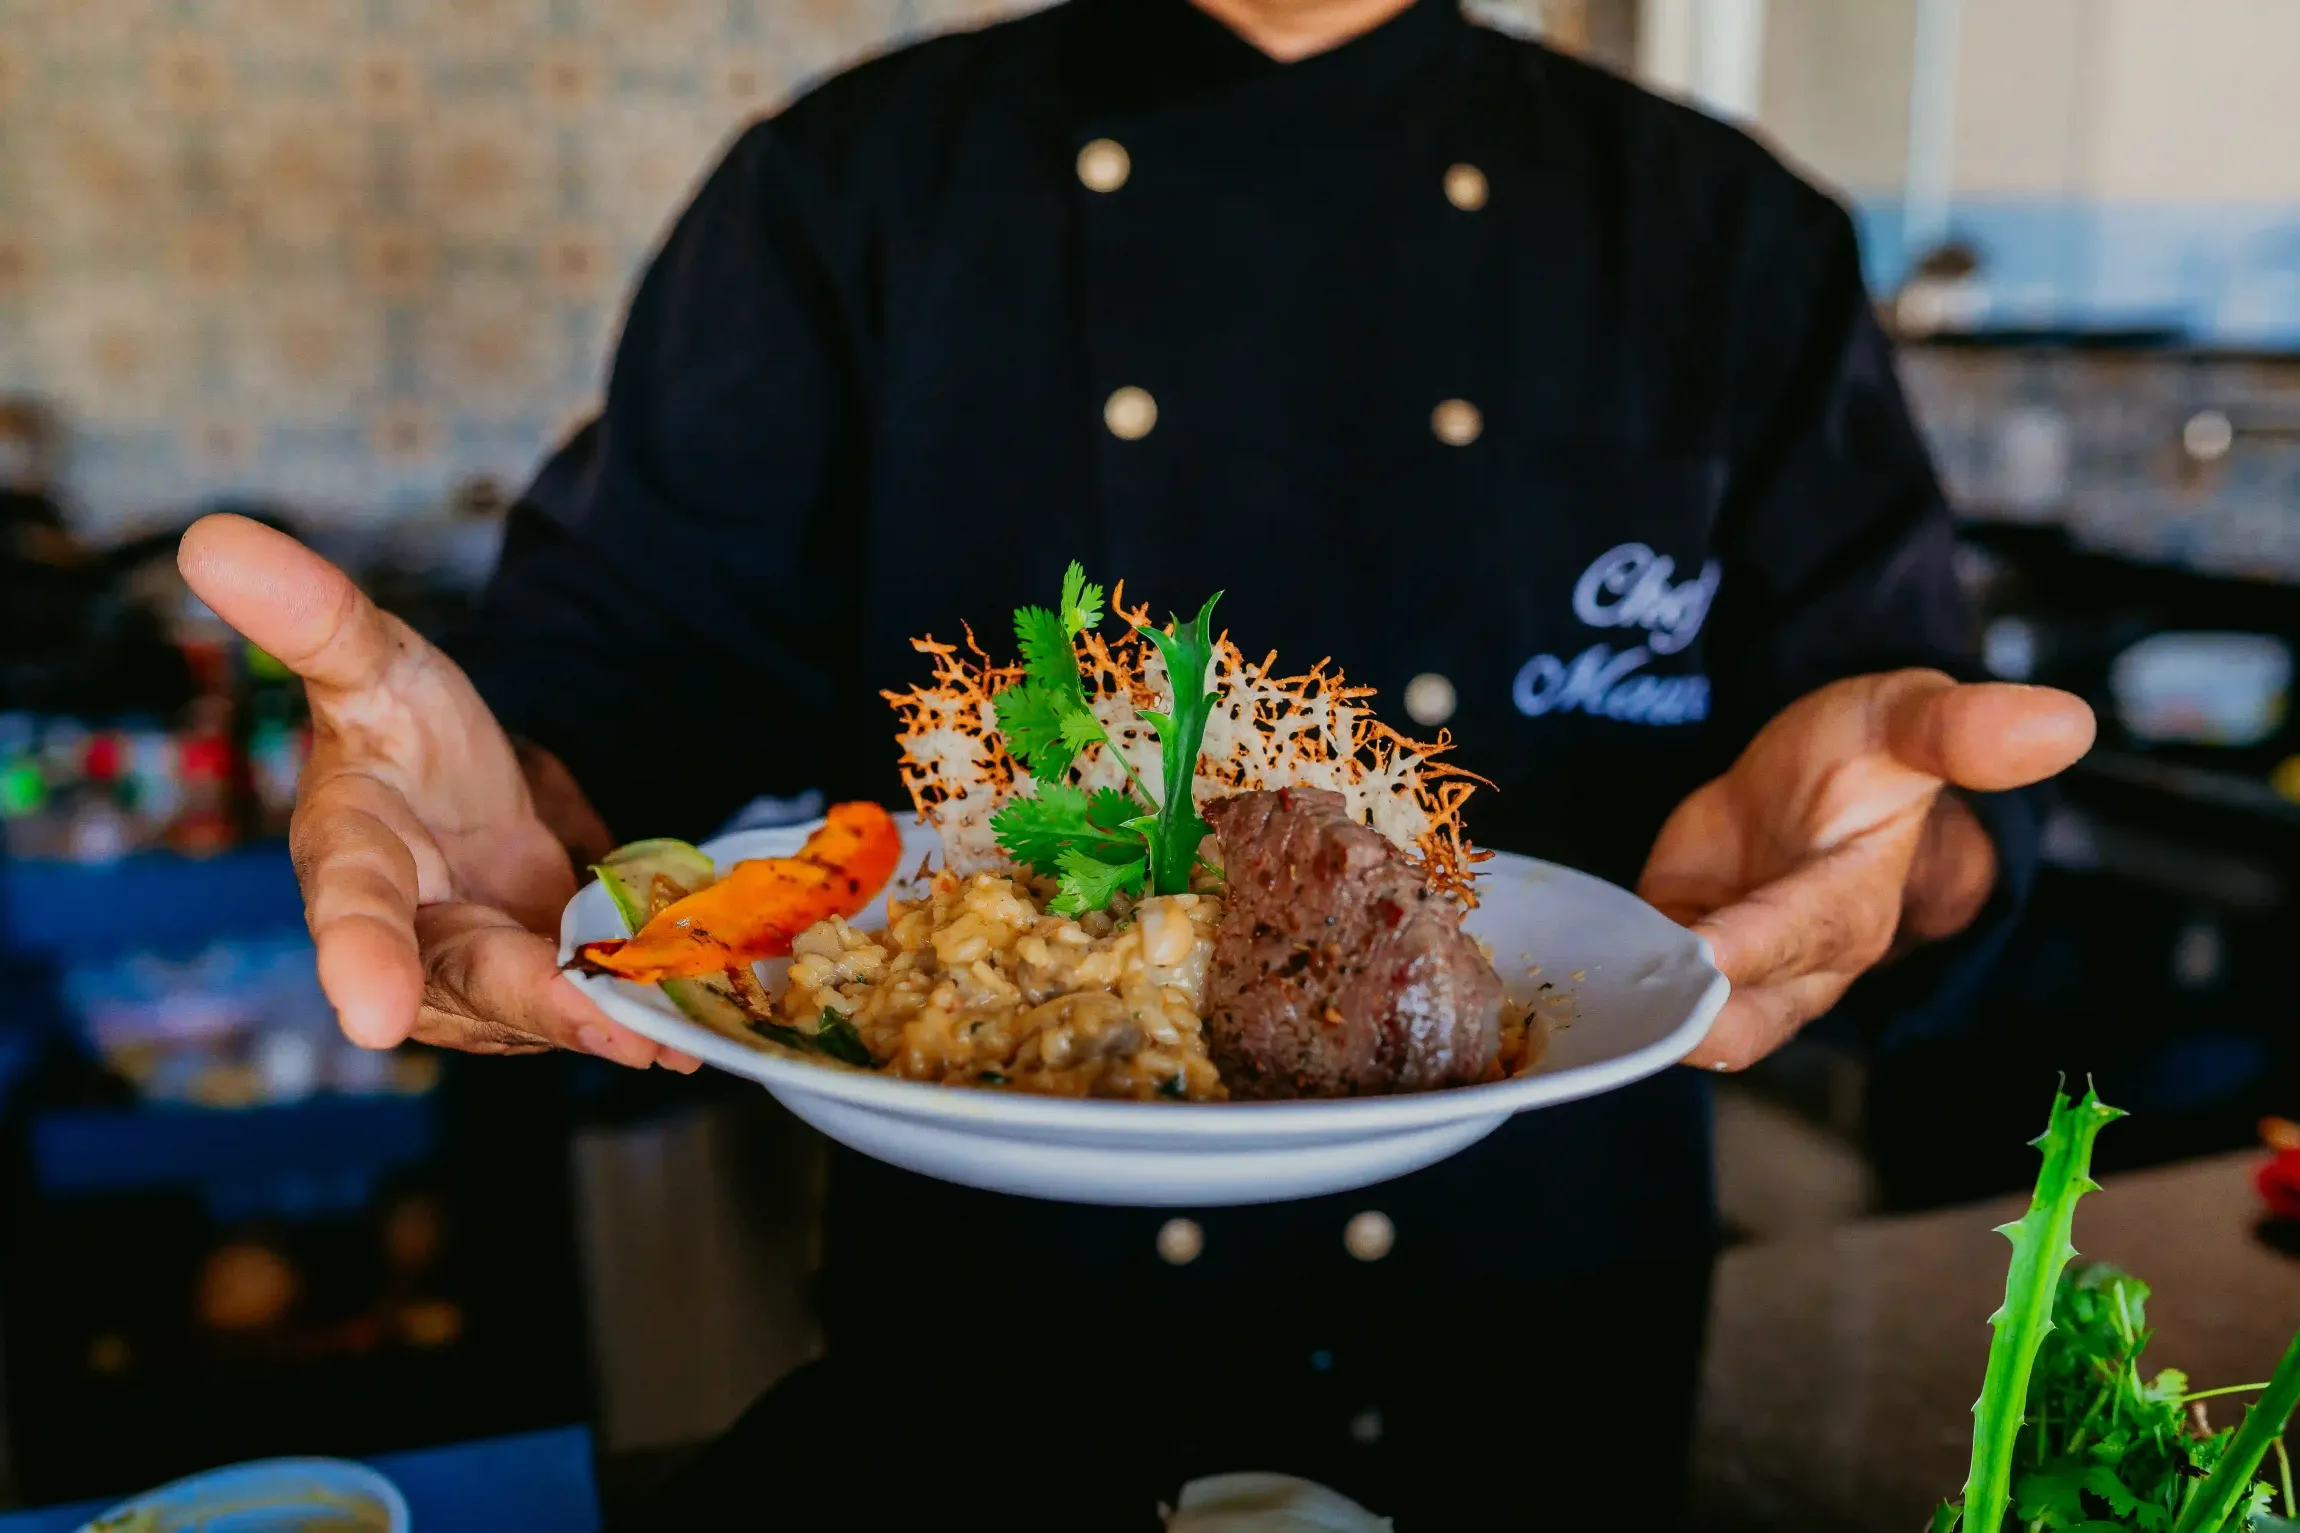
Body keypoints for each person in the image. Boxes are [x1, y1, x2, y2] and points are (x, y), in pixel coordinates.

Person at [176, 0, 2095, 1523]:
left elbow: (1910, 800)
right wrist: (525, 809)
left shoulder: (1723, 232)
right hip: (983, 1362)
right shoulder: (849, 192)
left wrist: (1906, 868)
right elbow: (614, 694)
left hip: (1543, 1355)